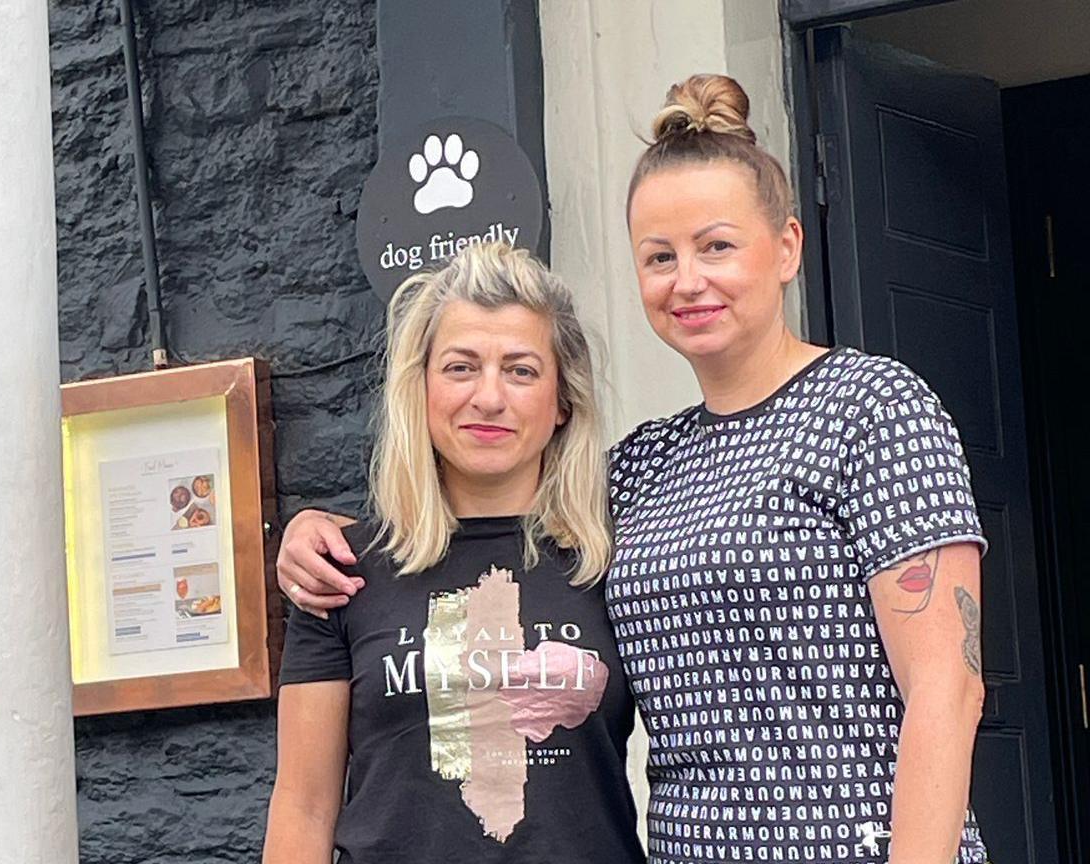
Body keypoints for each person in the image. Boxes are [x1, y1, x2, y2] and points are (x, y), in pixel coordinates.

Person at [277, 74, 988, 864]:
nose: (688, 280)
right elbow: (487, 495)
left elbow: (947, 690)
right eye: (659, 256)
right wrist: (312, 529)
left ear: (787, 246)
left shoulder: (872, 408)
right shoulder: (639, 470)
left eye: (717, 245)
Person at [262, 242, 645, 864]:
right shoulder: (340, 569)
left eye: (520, 370)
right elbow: (304, 806)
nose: (488, 398)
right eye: (461, 367)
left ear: (562, 403)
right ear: (422, 390)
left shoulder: (616, 560)